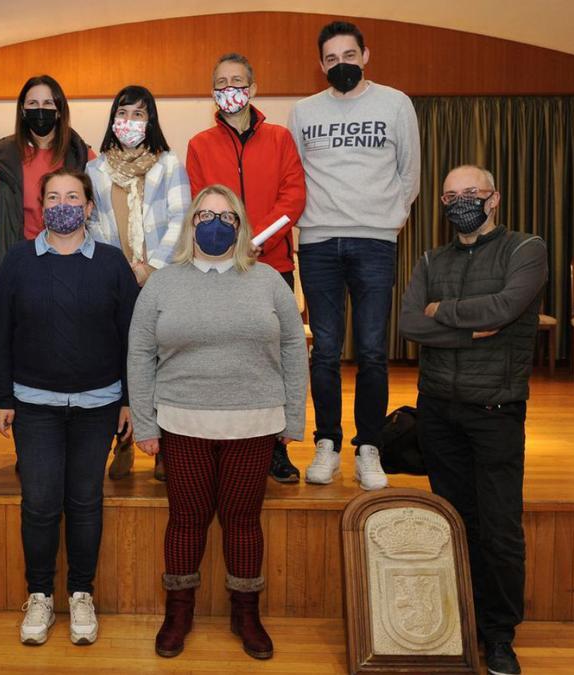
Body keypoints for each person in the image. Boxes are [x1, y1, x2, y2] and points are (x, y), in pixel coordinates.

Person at [128, 184, 307, 660]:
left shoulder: (269, 280)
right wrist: (144, 422)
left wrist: (294, 416)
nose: (214, 224)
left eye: (226, 217)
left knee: (243, 521)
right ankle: (179, 611)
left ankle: (246, 612)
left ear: (242, 226)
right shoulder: (163, 282)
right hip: (182, 421)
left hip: (254, 423)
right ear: (190, 224)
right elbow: (140, 352)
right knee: (186, 520)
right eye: (204, 214)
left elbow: (293, 348)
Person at [399, 165, 546, 675]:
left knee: (500, 529)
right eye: (450, 195)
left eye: (471, 193)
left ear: (494, 198)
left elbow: (507, 306)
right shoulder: (430, 258)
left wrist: (445, 312)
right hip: (438, 410)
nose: (460, 201)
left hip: (496, 412)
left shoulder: (525, 249)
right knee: (456, 524)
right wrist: (471, 328)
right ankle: (457, 620)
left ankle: (499, 634)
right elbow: (409, 321)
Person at [0, 169, 138, 646]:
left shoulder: (112, 264)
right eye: (54, 196)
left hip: (98, 404)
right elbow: (0, 332)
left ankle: (80, 593)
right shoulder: (17, 261)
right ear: (42, 205)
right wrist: (1, 397)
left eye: (74, 196)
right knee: (40, 503)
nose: (64, 203)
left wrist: (131, 400)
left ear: (89, 207)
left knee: (86, 502)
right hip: (35, 405)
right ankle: (38, 595)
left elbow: (133, 339)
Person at [288, 21, 421, 490]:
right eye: (330, 58)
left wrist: (388, 220)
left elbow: (410, 172)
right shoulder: (304, 111)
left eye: (348, 55)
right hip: (320, 241)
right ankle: (326, 442)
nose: (340, 64)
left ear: (366, 55)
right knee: (323, 351)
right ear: (320, 63)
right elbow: (294, 175)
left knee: (371, 351)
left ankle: (368, 447)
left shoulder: (395, 103)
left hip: (374, 242)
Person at [185, 53, 307, 484]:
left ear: (253, 89)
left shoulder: (279, 138)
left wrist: (257, 242)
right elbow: (202, 201)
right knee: (222, 354)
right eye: (221, 81)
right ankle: (215, 439)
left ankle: (276, 446)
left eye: (238, 81)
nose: (230, 88)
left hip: (269, 265)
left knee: (270, 357)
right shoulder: (200, 144)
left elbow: (293, 197)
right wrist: (229, 244)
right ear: (213, 91)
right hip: (216, 265)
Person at [87, 84, 190, 481]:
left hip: (161, 280)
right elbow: (91, 224)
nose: (130, 122)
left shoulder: (168, 164)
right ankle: (123, 440)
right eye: (123, 113)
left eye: (139, 114)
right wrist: (118, 271)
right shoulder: (95, 170)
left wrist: (151, 268)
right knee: (121, 362)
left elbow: (181, 222)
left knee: (162, 362)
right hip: (114, 282)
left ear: (152, 122)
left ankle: (164, 447)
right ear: (113, 119)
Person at [0, 75, 95, 281]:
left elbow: (98, 213)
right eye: (33, 103)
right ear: (22, 110)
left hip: (71, 264)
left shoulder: (82, 157)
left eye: (48, 103)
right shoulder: (1, 159)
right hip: (16, 266)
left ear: (59, 111)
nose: (40, 110)